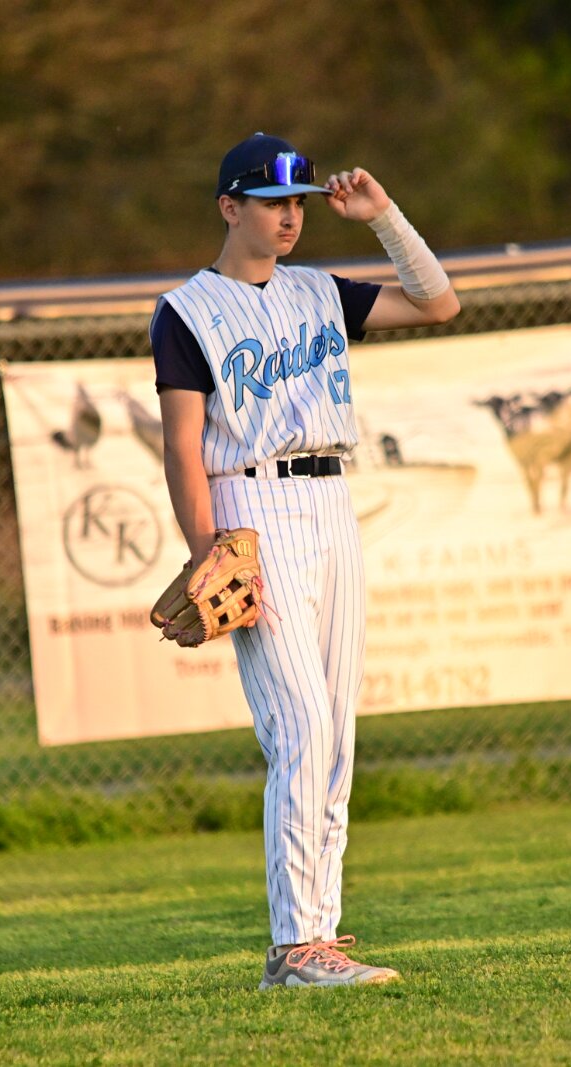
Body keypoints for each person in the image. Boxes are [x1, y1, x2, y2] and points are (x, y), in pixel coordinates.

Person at [149, 133, 459, 989]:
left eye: (298, 203)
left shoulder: (320, 291)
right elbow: (181, 447)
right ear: (229, 208)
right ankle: (293, 947)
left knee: (336, 733)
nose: (289, 217)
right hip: (249, 509)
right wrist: (209, 555)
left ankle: (319, 933)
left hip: (330, 502)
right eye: (271, 203)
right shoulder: (186, 311)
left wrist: (383, 217)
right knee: (301, 728)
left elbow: (438, 303)